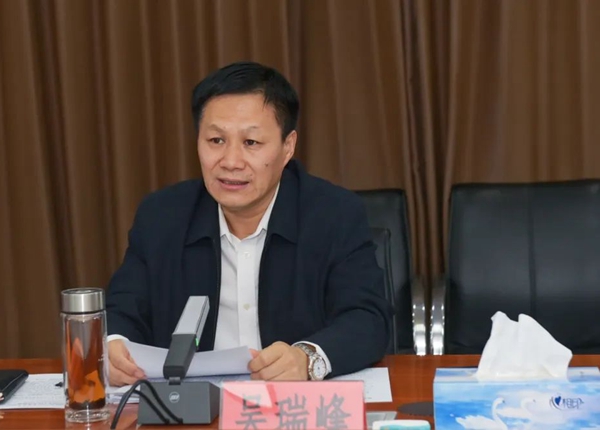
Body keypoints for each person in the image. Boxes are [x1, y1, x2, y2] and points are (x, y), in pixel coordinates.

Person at [105, 61, 392, 387]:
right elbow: (123, 310)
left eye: (251, 143)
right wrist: (114, 346)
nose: (230, 162)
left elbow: (367, 318)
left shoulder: (333, 214)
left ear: (287, 147)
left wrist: (307, 358)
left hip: (292, 404)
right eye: (216, 140)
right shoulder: (162, 217)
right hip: (193, 407)